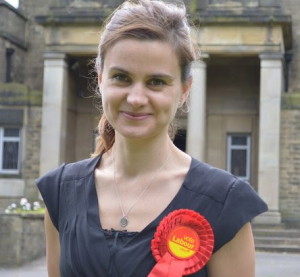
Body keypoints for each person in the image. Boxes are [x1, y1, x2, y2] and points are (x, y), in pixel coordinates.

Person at [36, 0, 268, 276]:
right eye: (121, 77)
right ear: (100, 80)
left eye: (156, 82)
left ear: (184, 90)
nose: (135, 98)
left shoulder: (224, 203)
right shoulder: (61, 192)